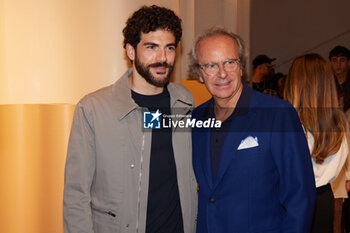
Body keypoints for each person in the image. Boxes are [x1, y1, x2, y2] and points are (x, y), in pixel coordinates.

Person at [63, 5, 197, 233]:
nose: (163, 58)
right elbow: (76, 195)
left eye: (170, 48)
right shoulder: (93, 109)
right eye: (151, 47)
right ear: (131, 51)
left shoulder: (184, 101)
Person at [189, 27, 316, 233]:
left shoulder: (278, 115)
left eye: (230, 62)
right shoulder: (196, 118)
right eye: (211, 65)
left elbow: (300, 196)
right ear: (200, 74)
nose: (222, 73)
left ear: (241, 67)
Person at [285, 53, 349, 233]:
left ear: (295, 84)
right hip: (324, 198)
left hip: (294, 200)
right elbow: (336, 171)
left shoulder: (290, 124)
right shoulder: (339, 123)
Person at [329, 45, 350, 112]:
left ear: (349, 62)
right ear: (330, 63)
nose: (338, 65)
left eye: (342, 60)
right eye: (335, 61)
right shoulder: (327, 84)